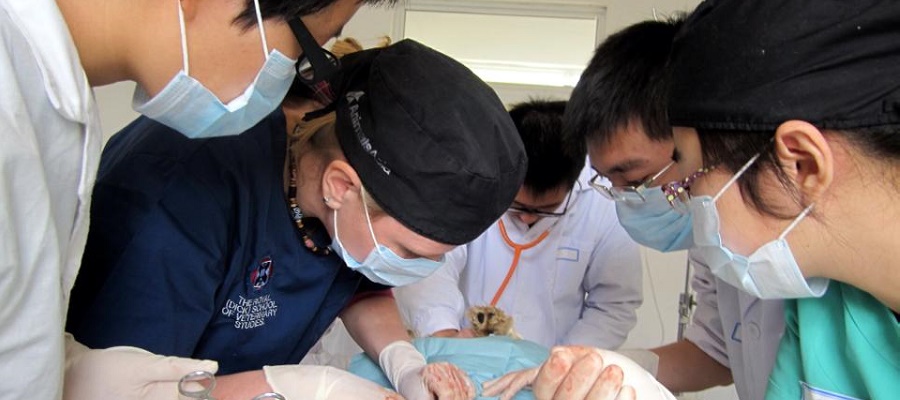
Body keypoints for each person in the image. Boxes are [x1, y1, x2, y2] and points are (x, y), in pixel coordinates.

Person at [66, 38, 527, 399]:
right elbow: (118, 388)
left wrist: (402, 362)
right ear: (340, 187)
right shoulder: (179, 197)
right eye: (408, 253)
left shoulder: (346, 203)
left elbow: (358, 280)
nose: (416, 268)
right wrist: (303, 388)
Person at [490, 1, 900, 399]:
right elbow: (719, 350)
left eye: (687, 171)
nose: (686, 196)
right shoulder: (815, 320)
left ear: (802, 164)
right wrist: (616, 368)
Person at [1, 0, 380, 399]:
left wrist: (74, 369)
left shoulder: (46, 96)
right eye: (306, 53)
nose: (292, 81)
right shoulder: (16, 110)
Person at [481, 16, 784, 400]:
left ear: (695, 141)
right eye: (610, 183)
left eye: (636, 180)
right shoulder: (714, 240)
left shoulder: (813, 265)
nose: (627, 200)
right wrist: (607, 366)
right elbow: (717, 352)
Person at [395, 100, 643, 350]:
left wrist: (564, 362)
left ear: (573, 184)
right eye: (517, 206)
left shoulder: (602, 202)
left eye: (546, 210)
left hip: (550, 363)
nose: (527, 218)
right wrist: (444, 336)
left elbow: (613, 303)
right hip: (464, 349)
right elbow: (432, 264)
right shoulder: (466, 182)